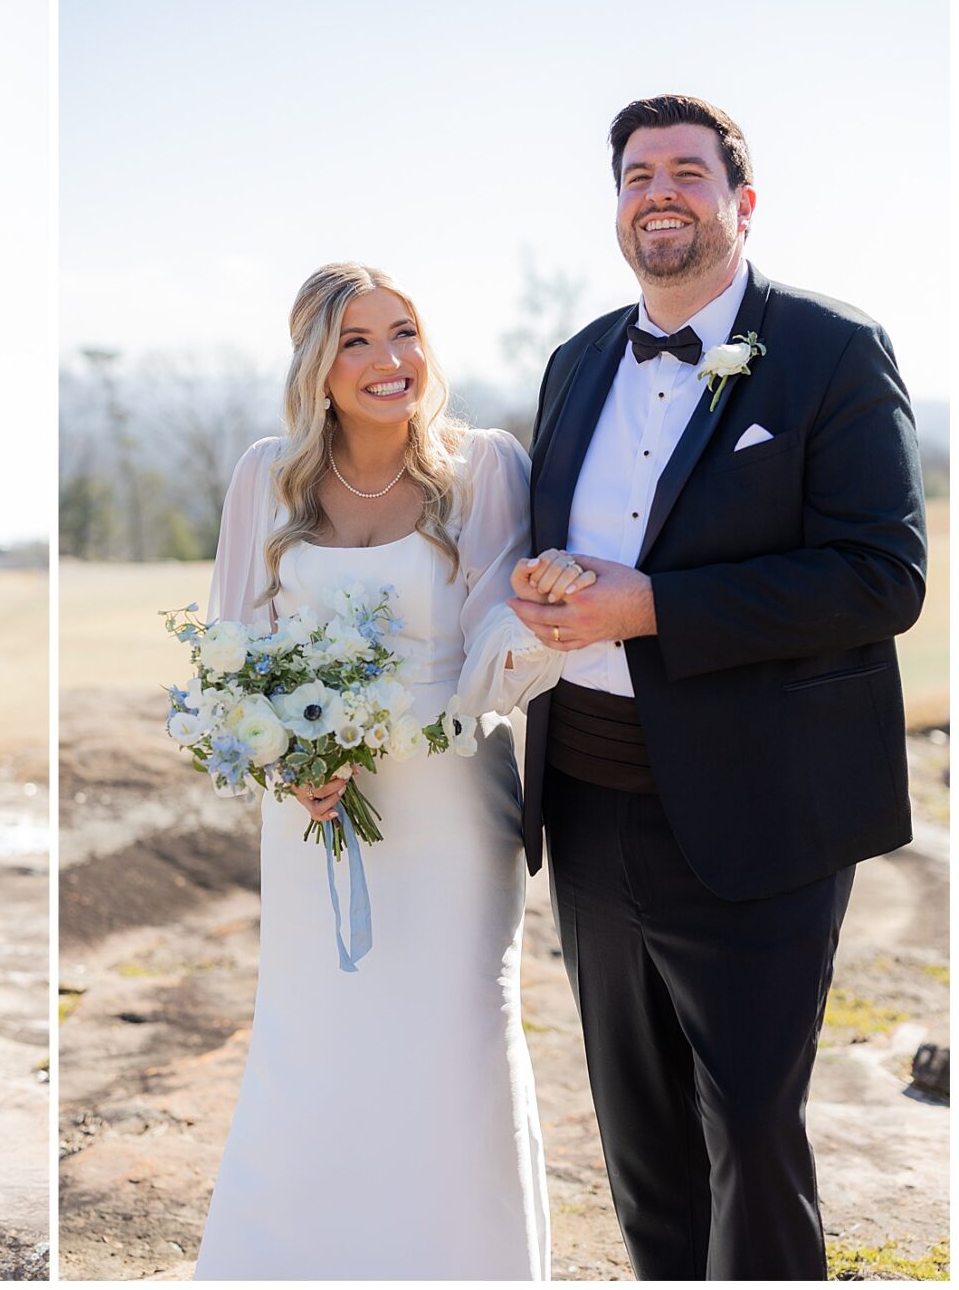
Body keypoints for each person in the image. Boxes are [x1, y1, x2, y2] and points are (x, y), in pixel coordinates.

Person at [510, 94, 928, 1281]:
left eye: (687, 172)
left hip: (761, 812)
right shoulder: (575, 360)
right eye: (638, 173)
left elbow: (879, 573)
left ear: (740, 202)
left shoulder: (831, 349)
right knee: (640, 1145)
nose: (659, 192)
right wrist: (545, 592)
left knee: (749, 1129)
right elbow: (559, 546)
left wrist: (649, 606)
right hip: (585, 806)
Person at [193, 263, 585, 1281]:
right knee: (313, 1043)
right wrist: (286, 760)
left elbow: (495, 635)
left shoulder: (485, 466)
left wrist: (548, 603)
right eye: (356, 340)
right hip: (310, 807)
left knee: (450, 1042)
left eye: (402, 331)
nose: (387, 359)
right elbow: (229, 650)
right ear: (317, 366)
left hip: (452, 804)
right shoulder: (262, 478)